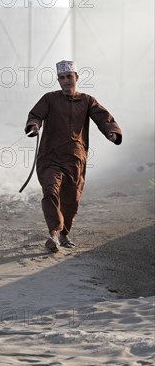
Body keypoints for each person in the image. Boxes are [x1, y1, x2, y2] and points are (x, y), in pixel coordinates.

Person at [25, 60, 122, 252]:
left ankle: (64, 233)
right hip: (50, 158)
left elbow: (104, 118)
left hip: (75, 160)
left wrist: (112, 132)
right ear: (58, 80)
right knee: (51, 192)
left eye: (69, 77)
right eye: (62, 78)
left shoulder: (87, 101)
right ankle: (53, 233)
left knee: (71, 199)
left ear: (76, 78)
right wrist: (34, 126)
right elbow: (36, 115)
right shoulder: (49, 99)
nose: (66, 81)